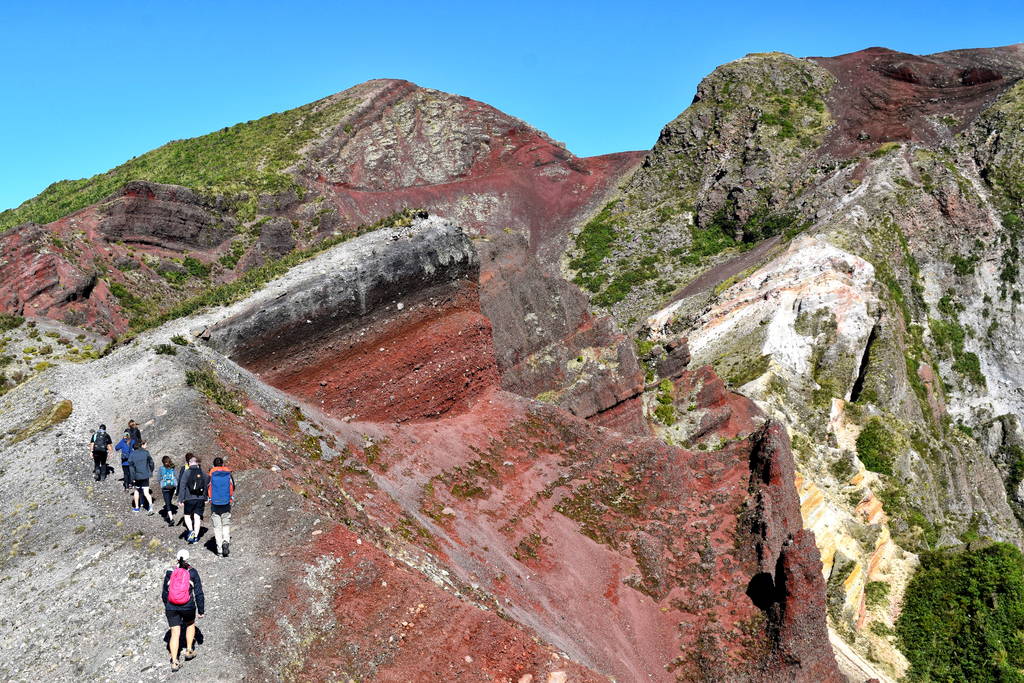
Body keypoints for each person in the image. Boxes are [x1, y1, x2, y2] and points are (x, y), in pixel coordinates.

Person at [162, 548, 205, 672]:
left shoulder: (170, 572)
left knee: (174, 633)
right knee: (190, 624)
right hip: (187, 606)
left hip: (171, 606)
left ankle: (174, 661)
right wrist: (201, 610)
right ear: (188, 559)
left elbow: (164, 593)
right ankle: (189, 650)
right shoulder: (192, 572)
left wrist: (168, 606)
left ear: (177, 558)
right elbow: (199, 593)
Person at [207, 457, 236, 557]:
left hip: (215, 503)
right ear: (223, 464)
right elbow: (233, 486)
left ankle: (219, 549)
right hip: (226, 502)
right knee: (226, 524)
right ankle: (226, 541)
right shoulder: (228, 474)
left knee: (217, 526)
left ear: (214, 465)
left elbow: (207, 487)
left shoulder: (211, 474)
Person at [177, 455, 207, 544]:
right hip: (200, 498)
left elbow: (182, 486)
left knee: (187, 516)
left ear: (189, 463)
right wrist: (205, 497)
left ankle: (191, 531)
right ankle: (196, 537)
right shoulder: (202, 472)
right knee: (197, 517)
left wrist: (180, 499)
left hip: (189, 498)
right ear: (197, 463)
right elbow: (206, 483)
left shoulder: (187, 472)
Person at [128, 439, 156, 515]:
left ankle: (137, 507)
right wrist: (150, 471)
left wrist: (132, 478)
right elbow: (151, 463)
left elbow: (131, 468)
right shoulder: (146, 452)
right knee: (146, 492)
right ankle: (150, 507)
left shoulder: (132, 455)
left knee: (137, 491)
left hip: (137, 476)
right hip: (145, 475)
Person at [159, 456, 178, 526]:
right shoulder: (173, 468)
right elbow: (177, 477)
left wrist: (161, 483)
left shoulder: (161, 468)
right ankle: (168, 514)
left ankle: (171, 518)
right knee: (169, 500)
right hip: (172, 486)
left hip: (165, 487)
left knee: (167, 502)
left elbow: (159, 478)